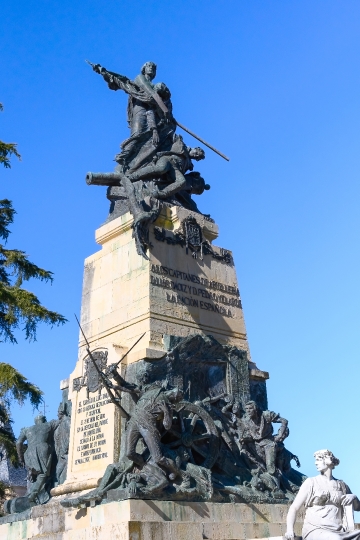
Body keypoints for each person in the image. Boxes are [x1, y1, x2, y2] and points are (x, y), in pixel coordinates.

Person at [285, 449, 360, 539]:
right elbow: (294, 508)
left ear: (328, 461)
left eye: (318, 459)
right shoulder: (311, 482)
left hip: (339, 529)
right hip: (315, 528)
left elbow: (358, 508)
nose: (315, 463)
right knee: (335, 538)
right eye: (315, 460)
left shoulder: (341, 485)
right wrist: (289, 530)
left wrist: (354, 497)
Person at [16, 414, 59, 503]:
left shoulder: (27, 430)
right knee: (42, 474)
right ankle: (32, 495)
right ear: (44, 420)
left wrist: (21, 458)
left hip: (29, 453)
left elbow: (18, 443)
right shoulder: (49, 424)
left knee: (33, 475)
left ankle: (33, 495)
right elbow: (61, 421)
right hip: (42, 450)